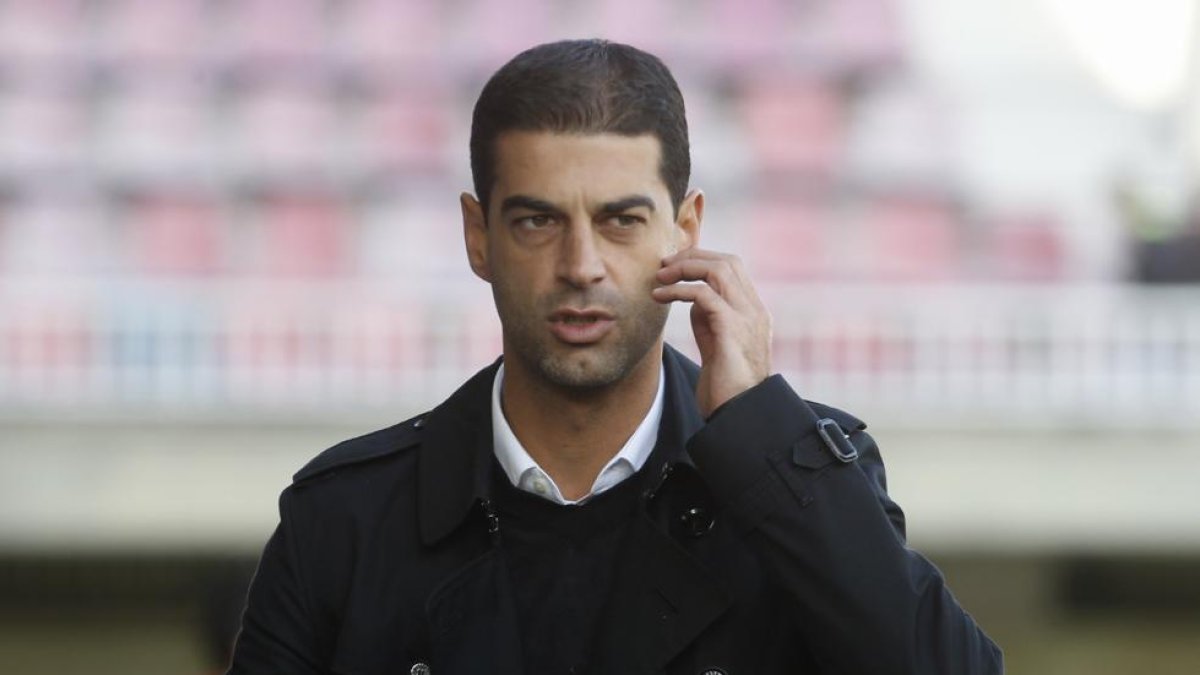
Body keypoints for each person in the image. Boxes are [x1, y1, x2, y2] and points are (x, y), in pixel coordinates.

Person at [228, 39, 1003, 674]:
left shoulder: (796, 482)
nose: (582, 264)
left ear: (685, 229)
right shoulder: (343, 519)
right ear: (478, 236)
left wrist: (765, 437)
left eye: (621, 221)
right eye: (537, 221)